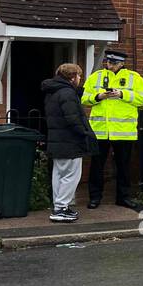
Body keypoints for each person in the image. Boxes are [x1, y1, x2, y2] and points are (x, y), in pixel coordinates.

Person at [82, 49, 143, 209]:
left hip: (123, 132)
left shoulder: (134, 78)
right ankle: (95, 198)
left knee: (123, 167)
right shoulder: (95, 77)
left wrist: (122, 94)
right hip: (100, 131)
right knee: (97, 166)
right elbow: (85, 99)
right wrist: (99, 97)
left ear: (122, 63)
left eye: (114, 63)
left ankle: (123, 197)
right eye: (108, 62)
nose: (110, 65)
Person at [42, 63, 98, 223]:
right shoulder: (67, 93)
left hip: (58, 139)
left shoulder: (53, 91)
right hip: (69, 141)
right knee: (71, 175)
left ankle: (59, 206)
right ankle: (61, 208)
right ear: (72, 77)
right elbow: (72, 118)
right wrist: (84, 132)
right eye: (79, 76)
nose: (80, 79)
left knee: (59, 174)